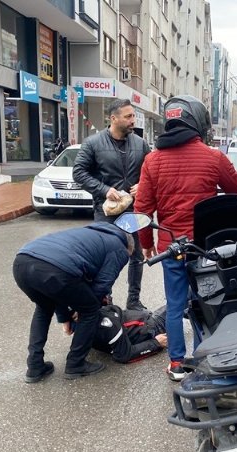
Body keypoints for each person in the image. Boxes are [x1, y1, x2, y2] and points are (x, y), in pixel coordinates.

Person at [134, 95, 237, 381]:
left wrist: (146, 244)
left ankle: (177, 364)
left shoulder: (152, 160)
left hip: (171, 248)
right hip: (206, 247)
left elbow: (142, 209)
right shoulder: (212, 156)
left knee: (175, 305)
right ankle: (205, 358)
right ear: (196, 121)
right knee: (207, 300)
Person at [12, 222, 134, 383]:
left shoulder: (89, 234)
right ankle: (76, 363)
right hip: (54, 269)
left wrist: (65, 318)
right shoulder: (119, 247)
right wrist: (81, 309)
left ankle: (35, 367)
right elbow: (102, 284)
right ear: (128, 246)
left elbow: (58, 289)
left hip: (22, 262)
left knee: (44, 308)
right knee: (91, 309)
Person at [73, 98, 151, 311]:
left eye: (133, 115)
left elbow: (151, 171)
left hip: (133, 211)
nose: (132, 120)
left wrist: (142, 185)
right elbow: (78, 172)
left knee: (136, 256)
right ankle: (106, 301)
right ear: (113, 118)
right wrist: (105, 190)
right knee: (106, 257)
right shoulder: (93, 143)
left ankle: (133, 301)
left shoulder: (140, 143)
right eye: (128, 116)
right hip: (105, 212)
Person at [92, 304, 168, 363]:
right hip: (149, 327)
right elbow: (124, 355)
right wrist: (156, 343)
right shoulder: (107, 325)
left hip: (139, 320)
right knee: (176, 302)